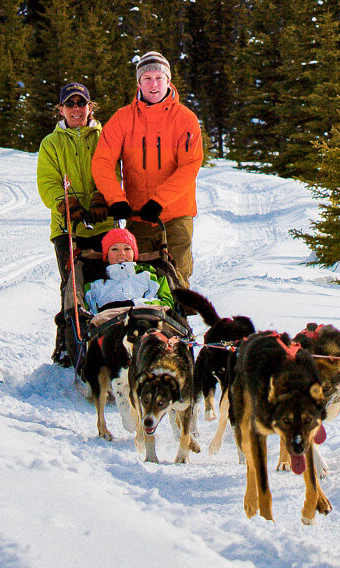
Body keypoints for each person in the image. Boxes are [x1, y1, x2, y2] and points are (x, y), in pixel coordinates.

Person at [91, 51, 203, 285]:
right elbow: (102, 162)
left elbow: (189, 167)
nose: (154, 84)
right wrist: (116, 199)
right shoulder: (122, 119)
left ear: (168, 80)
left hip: (176, 214)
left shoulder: (186, 119)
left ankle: (178, 318)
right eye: (147, 78)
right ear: (139, 82)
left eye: (159, 78)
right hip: (138, 215)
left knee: (177, 280)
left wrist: (160, 200)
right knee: (139, 281)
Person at [38, 82, 116, 367]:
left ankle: (108, 342)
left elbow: (112, 169)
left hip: (103, 223)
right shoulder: (51, 143)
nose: (76, 109)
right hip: (67, 227)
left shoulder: (104, 136)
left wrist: (102, 195)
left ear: (89, 107)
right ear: (61, 109)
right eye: (69, 104)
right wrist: (63, 202)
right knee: (72, 286)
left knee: (107, 281)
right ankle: (66, 347)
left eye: (81, 103)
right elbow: (46, 182)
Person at [84, 228, 174, 311]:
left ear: (134, 254)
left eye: (127, 248)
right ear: (106, 256)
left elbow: (167, 304)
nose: (121, 253)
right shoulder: (95, 286)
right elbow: (87, 315)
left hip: (146, 320)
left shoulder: (150, 276)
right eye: (114, 249)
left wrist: (135, 304)